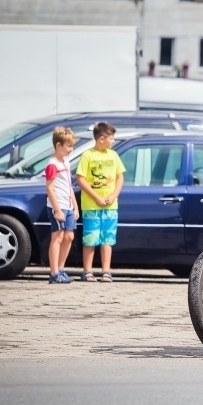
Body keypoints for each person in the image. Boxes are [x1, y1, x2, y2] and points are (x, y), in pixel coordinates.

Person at [76, 122, 126, 283]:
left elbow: (120, 177)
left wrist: (113, 195)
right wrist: (96, 197)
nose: (113, 141)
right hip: (91, 206)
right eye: (111, 138)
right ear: (102, 139)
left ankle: (106, 271)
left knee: (107, 239)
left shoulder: (113, 155)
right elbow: (81, 179)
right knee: (90, 238)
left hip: (110, 206)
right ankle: (87, 271)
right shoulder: (88, 156)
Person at [44, 126, 79, 284]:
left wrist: (75, 206)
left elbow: (69, 186)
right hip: (58, 206)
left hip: (68, 205)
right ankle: (54, 273)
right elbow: (50, 188)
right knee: (57, 238)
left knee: (69, 236)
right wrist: (57, 210)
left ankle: (60, 268)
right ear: (58, 145)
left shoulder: (66, 162)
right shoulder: (52, 164)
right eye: (69, 146)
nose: (71, 149)